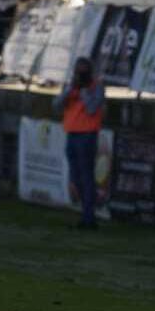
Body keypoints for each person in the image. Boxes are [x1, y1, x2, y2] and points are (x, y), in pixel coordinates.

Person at [55, 57, 106, 229]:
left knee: (86, 176)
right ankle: (85, 211)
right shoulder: (71, 86)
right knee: (75, 177)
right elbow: (56, 105)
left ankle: (88, 217)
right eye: (78, 71)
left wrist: (84, 92)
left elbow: (92, 108)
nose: (80, 75)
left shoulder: (96, 86)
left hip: (87, 135)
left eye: (83, 72)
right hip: (72, 134)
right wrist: (69, 91)